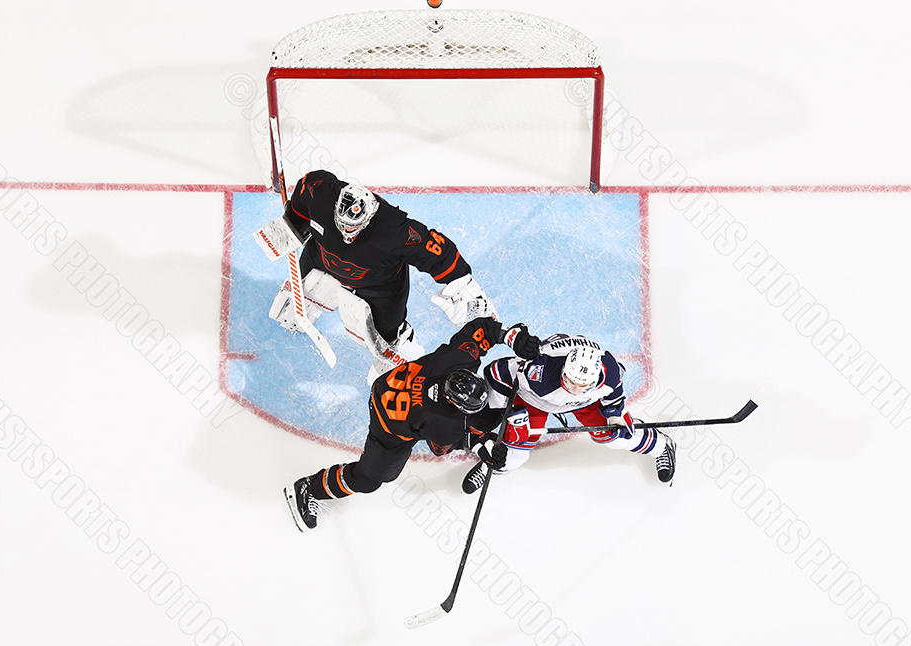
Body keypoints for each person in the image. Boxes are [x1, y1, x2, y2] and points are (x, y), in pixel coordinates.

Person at [285, 316, 540, 531]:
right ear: (455, 406)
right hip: (387, 426)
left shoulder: (456, 359)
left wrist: (511, 337)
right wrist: (482, 442)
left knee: (436, 400)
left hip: (388, 384)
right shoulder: (444, 424)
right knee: (370, 478)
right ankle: (310, 487)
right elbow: (440, 448)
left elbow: (481, 329)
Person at [255, 169, 495, 375]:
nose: (348, 232)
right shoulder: (321, 193)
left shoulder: (394, 230)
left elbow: (439, 252)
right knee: (299, 294)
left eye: (353, 226)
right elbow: (305, 187)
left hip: (381, 285)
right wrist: (294, 222)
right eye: (343, 224)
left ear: (369, 215)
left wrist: (463, 286)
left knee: (386, 338)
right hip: (321, 258)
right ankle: (308, 305)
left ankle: (398, 340)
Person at [462, 333, 676, 494]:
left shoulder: (609, 372)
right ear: (564, 369)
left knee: (614, 436)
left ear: (595, 378)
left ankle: (660, 445)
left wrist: (615, 414)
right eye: (569, 381)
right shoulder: (539, 372)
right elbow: (496, 372)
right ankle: (493, 466)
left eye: (579, 385)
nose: (572, 388)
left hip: (583, 402)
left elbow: (615, 393)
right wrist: (509, 412)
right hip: (535, 401)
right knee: (512, 455)